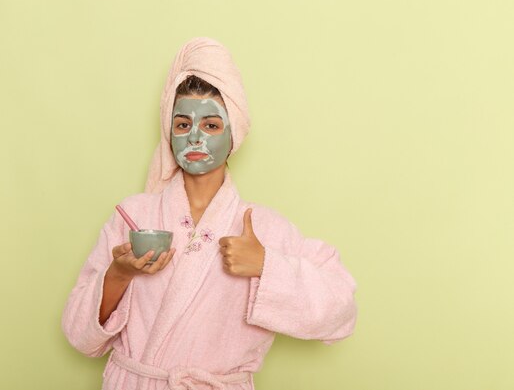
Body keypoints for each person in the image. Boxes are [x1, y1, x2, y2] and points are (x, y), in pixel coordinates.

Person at [62, 37, 357, 390]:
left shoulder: (263, 228)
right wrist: (118, 274)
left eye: (212, 126)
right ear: (169, 133)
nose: (196, 138)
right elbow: (80, 336)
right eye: (183, 125)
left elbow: (342, 312)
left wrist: (266, 265)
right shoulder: (134, 216)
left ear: (235, 134)